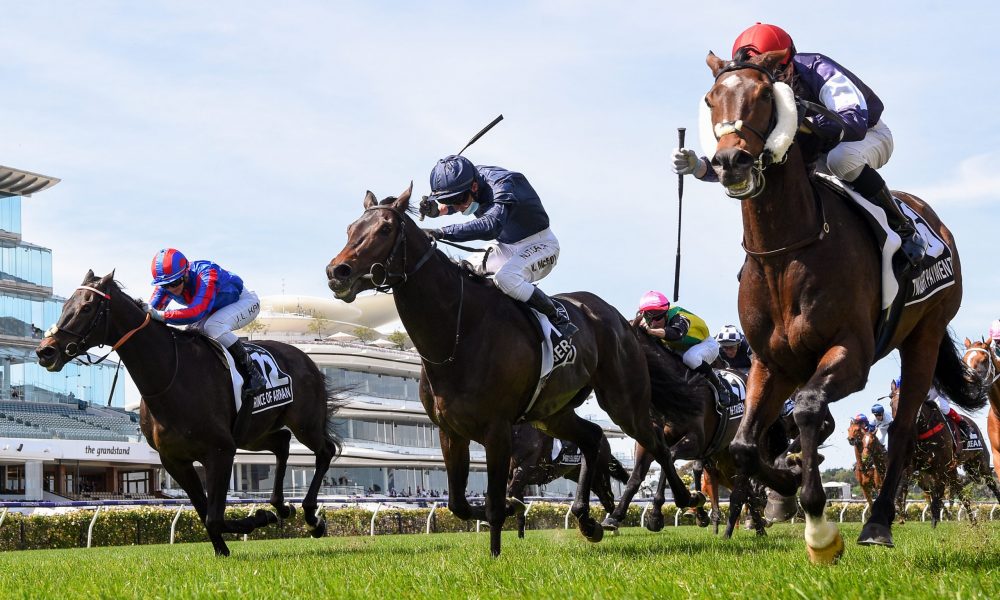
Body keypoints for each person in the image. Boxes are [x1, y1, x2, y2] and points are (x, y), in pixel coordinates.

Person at [673, 22, 926, 270]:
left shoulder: (818, 68)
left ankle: (902, 227)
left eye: (778, 72)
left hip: (864, 137)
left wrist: (803, 121)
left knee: (840, 159)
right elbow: (745, 157)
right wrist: (699, 167)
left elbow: (854, 122)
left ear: (790, 61)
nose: (775, 81)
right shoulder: (753, 93)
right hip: (815, 152)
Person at [419, 155, 577, 338]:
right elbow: (461, 201)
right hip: (506, 245)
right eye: (450, 201)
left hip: (542, 245)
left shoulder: (502, 184)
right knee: (461, 272)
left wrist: (442, 232)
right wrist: (437, 210)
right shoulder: (468, 182)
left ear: (474, 186)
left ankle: (557, 317)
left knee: (506, 278)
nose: (458, 208)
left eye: (458, 200)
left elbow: (491, 226)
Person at [148, 248, 267, 398]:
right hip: (214, 308)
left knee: (213, 327)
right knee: (189, 334)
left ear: (185, 273)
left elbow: (197, 312)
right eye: (166, 285)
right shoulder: (167, 283)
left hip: (243, 301)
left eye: (175, 282)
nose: (171, 288)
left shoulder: (206, 273)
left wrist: (163, 316)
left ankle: (253, 373)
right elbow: (150, 313)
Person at [636, 290, 729, 403]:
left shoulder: (679, 316)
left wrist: (651, 331)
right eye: (648, 317)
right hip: (680, 348)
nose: (654, 323)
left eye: (657, 318)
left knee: (690, 358)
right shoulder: (645, 320)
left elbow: (676, 333)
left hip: (705, 345)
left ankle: (720, 387)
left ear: (666, 313)